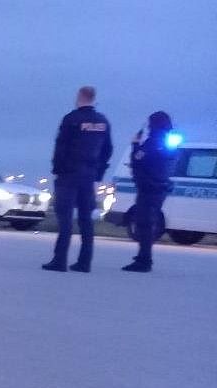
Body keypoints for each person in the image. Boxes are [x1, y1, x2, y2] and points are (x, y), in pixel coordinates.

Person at [43, 86, 113, 272]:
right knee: (85, 219)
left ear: (80, 97)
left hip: (68, 175)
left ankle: (60, 260)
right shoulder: (102, 122)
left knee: (65, 217)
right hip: (88, 175)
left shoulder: (71, 119)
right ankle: (85, 261)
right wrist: (98, 173)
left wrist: (57, 169)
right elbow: (107, 150)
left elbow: (61, 147)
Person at [123, 111, 176, 272]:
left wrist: (135, 144)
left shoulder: (152, 142)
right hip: (160, 188)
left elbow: (137, 160)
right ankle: (143, 257)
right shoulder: (169, 143)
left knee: (144, 224)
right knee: (148, 222)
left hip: (148, 188)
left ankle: (144, 260)